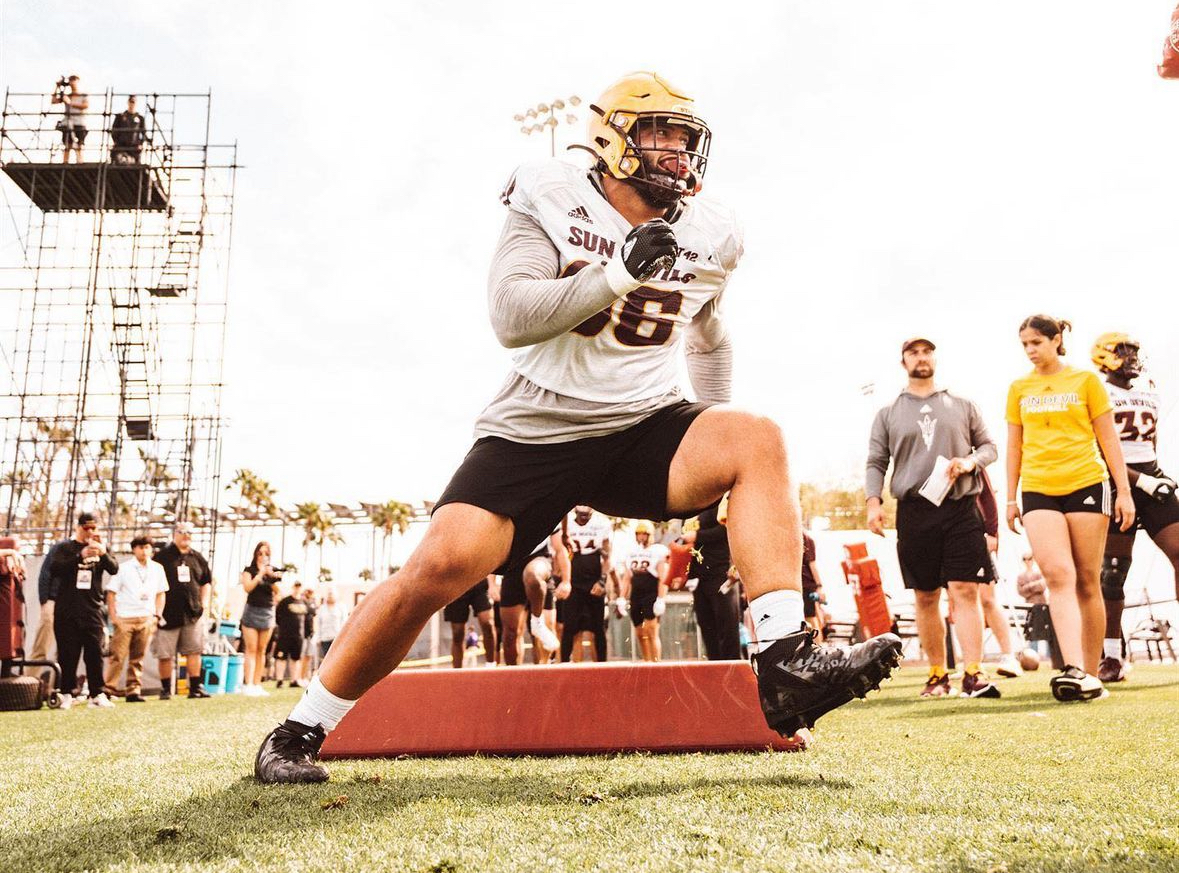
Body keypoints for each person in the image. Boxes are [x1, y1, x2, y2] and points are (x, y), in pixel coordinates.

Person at [255, 71, 901, 783]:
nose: (677, 153)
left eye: (685, 139)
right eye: (659, 134)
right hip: (535, 429)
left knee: (755, 437)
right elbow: (511, 316)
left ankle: (787, 663)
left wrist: (715, 468)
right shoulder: (550, 194)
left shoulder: (711, 230)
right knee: (438, 567)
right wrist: (616, 273)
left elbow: (708, 339)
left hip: (641, 424)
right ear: (610, 137)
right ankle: (298, 730)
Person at [1005, 315, 1134, 702]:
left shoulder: (1085, 381)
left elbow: (1108, 438)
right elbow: (1014, 444)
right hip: (1039, 488)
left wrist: (1124, 491)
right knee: (1058, 575)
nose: (1030, 350)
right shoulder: (1018, 387)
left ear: (1056, 339)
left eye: (1036, 343)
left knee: (1085, 580)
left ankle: (1091, 675)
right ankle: (1074, 668)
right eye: (1024, 344)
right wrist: (1010, 497)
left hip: (1086, 483)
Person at [866, 337, 1001, 699]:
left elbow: (989, 447)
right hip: (914, 509)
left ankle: (973, 671)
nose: (921, 358)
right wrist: (873, 502)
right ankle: (937, 674)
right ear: (904, 361)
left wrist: (971, 462)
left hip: (960, 507)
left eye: (927, 352)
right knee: (926, 595)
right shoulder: (889, 412)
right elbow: (876, 460)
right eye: (914, 353)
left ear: (935, 358)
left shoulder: (962, 404)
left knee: (965, 590)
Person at [1090, 333, 1179, 682]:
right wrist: (1140, 482)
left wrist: (1155, 475)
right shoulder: (1098, 392)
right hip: (1114, 482)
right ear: (1105, 356)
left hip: (1150, 478)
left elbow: (1150, 442)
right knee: (1113, 572)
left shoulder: (1150, 388)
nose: (1131, 357)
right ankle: (1111, 656)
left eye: (1134, 351)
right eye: (1123, 351)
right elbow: (1099, 449)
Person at [49, 512, 119, 708]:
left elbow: (114, 569)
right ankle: (66, 693)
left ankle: (97, 693)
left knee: (95, 653)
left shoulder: (101, 548)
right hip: (67, 609)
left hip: (93, 609)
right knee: (68, 654)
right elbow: (55, 569)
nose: (90, 532)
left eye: (93, 528)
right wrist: (79, 556)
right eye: (86, 528)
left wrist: (102, 552)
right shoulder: (65, 548)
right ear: (77, 527)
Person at [152, 522, 213, 699]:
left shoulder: (198, 558)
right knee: (165, 654)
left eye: (189, 532)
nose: (186, 535)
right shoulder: (162, 557)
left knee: (194, 651)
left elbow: (206, 582)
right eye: (182, 532)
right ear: (174, 534)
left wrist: (204, 603)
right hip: (167, 615)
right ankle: (165, 690)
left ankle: (195, 688)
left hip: (193, 614)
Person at [102, 535, 168, 702]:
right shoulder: (123, 568)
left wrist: (157, 614)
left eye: (147, 547)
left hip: (146, 617)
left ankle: (133, 690)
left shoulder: (158, 568)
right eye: (140, 547)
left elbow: (161, 593)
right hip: (125, 617)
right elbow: (111, 592)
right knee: (118, 655)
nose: (144, 551)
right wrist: (114, 616)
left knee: (138, 657)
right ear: (134, 549)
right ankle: (109, 688)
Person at [975, 468, 1023, 677]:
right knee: (962, 601)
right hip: (951, 537)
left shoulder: (971, 457)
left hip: (978, 536)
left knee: (987, 599)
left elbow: (988, 496)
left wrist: (991, 532)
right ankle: (973, 663)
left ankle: (1008, 655)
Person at [498, 529, 564, 666]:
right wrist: (492, 583)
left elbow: (560, 548)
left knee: (532, 575)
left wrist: (567, 581)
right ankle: (512, 678)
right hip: (512, 567)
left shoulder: (546, 510)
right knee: (510, 634)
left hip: (540, 560)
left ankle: (537, 623)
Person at [686, 505, 742, 658]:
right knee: (706, 627)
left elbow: (726, 530)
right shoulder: (688, 510)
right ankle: (714, 668)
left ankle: (732, 669)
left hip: (720, 574)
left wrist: (697, 536)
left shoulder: (719, 503)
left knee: (727, 626)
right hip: (698, 578)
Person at [560, 506, 612, 662]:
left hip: (593, 579)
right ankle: (564, 665)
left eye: (587, 515)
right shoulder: (566, 523)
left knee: (598, 627)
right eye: (581, 515)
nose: (584, 518)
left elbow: (607, 555)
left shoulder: (602, 523)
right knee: (569, 627)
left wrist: (602, 581)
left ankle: (603, 667)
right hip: (573, 580)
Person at [618, 521, 670, 661]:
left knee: (651, 631)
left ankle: (656, 663)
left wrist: (661, 598)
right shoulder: (631, 552)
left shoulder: (658, 551)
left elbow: (663, 577)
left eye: (644, 534)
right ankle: (647, 662)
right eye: (639, 534)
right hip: (636, 594)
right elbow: (627, 577)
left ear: (650, 535)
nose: (641, 537)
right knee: (640, 632)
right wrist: (621, 598)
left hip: (651, 593)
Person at [240, 542, 282, 697]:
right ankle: (248, 683)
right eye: (260, 553)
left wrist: (270, 577)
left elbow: (278, 592)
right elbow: (248, 587)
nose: (263, 556)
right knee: (251, 648)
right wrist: (259, 574)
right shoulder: (248, 570)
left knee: (262, 649)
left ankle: (257, 684)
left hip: (268, 611)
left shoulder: (273, 570)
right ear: (255, 554)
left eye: (266, 553)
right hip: (252, 610)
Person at [27, 538, 66, 682]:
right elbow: (45, 573)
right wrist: (45, 601)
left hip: (72, 605)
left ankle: (57, 689)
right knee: (41, 646)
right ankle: (28, 686)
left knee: (65, 652)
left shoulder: (92, 551)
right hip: (52, 601)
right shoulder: (60, 548)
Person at [443, 577, 496, 668]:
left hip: (479, 582)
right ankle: (457, 672)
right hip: (456, 586)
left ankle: (491, 664)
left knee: (487, 623)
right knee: (457, 633)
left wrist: (492, 584)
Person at [274, 582, 309, 688]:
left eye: (299, 587)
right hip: (285, 635)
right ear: (292, 587)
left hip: (299, 636)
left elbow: (307, 619)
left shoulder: (304, 602)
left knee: (296, 658)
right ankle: (279, 680)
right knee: (281, 658)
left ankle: (294, 680)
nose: (297, 589)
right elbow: (277, 617)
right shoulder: (285, 601)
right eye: (295, 587)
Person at [50, 75, 89, 164]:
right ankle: (65, 162)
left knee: (79, 145)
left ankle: (79, 162)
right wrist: (57, 87)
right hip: (68, 122)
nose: (72, 83)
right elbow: (53, 101)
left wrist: (70, 103)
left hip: (80, 122)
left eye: (74, 80)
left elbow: (85, 106)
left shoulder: (83, 95)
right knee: (67, 145)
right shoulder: (67, 96)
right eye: (71, 80)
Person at [110, 95, 147, 164]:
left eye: (133, 102)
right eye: (130, 101)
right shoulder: (120, 116)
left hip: (134, 147)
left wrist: (141, 144)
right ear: (128, 102)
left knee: (135, 164)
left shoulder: (140, 118)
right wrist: (115, 141)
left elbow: (144, 133)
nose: (132, 104)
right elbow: (114, 130)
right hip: (121, 145)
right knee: (117, 160)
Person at [316, 589, 345, 663]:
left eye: (332, 594)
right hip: (325, 638)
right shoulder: (322, 608)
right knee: (325, 660)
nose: (330, 596)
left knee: (337, 659)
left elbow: (344, 623)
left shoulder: (341, 607)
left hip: (337, 638)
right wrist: (318, 638)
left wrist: (344, 637)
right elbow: (318, 624)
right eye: (329, 594)